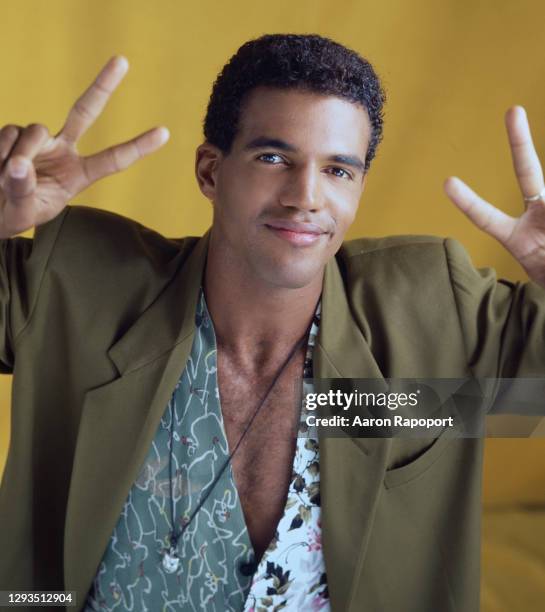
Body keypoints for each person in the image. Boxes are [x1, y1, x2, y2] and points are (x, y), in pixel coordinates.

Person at [0, 33, 544, 612]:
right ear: (211, 171)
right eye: (273, 158)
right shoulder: (82, 288)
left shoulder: (431, 312)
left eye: (338, 170)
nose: (305, 197)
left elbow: (528, 400)